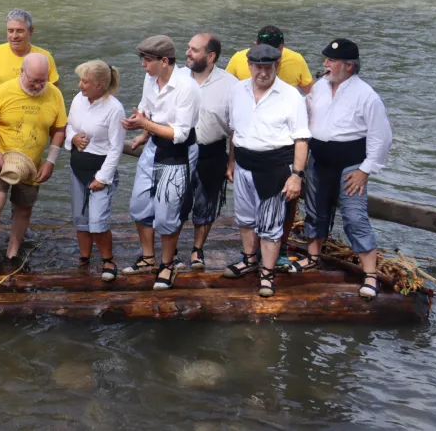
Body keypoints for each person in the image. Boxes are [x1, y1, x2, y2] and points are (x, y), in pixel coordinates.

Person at [290, 38, 392, 300]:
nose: (325, 64)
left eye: (331, 60)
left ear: (348, 66)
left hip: (351, 166)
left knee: (354, 217)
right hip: (319, 161)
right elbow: (304, 116)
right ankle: (313, 257)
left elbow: (381, 136)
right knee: (315, 210)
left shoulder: (367, 95)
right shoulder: (319, 88)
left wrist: (365, 170)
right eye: (326, 59)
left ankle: (370, 274)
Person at [223, 44, 310, 298]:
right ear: (249, 66)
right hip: (243, 165)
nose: (263, 72)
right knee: (245, 219)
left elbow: (302, 139)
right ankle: (249, 260)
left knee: (271, 226)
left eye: (268, 67)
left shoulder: (291, 95)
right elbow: (234, 131)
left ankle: (267, 274)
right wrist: (231, 162)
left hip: (275, 168)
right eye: (258, 67)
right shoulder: (237, 90)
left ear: (276, 66)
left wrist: (297, 175)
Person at [0, 53, 68, 286]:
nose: (37, 86)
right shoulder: (3, 92)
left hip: (32, 164)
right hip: (1, 158)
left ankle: (12, 254)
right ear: (22, 73)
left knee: (24, 208)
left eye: (42, 81)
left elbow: (59, 129)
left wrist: (51, 161)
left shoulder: (54, 94)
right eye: (33, 80)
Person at [120, 36, 200, 291]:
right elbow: (147, 109)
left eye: (147, 60)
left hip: (178, 152)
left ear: (164, 61)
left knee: (167, 213)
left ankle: (168, 263)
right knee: (139, 205)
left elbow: (180, 134)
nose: (143, 65)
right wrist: (140, 128)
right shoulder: (150, 78)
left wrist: (145, 125)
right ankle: (147, 258)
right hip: (154, 145)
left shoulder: (187, 87)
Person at [64, 60, 126, 281]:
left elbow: (116, 148)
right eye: (81, 80)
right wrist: (73, 137)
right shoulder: (78, 99)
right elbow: (69, 125)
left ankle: (108, 260)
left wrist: (102, 178)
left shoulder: (114, 108)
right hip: (77, 167)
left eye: (85, 81)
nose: (80, 85)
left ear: (100, 85)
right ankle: (84, 258)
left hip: (100, 171)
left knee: (97, 221)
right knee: (80, 218)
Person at [182, 33, 236, 270]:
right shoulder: (178, 78)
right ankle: (169, 250)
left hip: (213, 150)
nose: (188, 52)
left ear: (211, 56)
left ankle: (197, 250)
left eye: (194, 49)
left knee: (207, 203)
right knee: (174, 202)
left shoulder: (231, 84)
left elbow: (236, 129)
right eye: (188, 48)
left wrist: (232, 163)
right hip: (179, 149)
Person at [0, 9, 59, 91]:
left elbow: (55, 94)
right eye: (10, 31)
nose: (14, 36)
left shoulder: (44, 57)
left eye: (20, 31)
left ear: (31, 31)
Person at [225, 25, 314, 95]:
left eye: (277, 52)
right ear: (256, 46)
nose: (272, 57)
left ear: (283, 46)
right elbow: (225, 90)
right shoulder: (238, 59)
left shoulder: (296, 60)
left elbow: (313, 93)